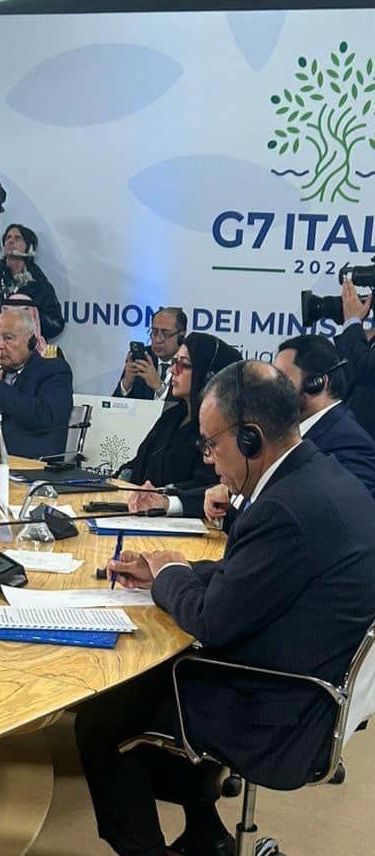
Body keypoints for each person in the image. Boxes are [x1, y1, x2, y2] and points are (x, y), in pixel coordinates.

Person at [76, 360, 375, 856]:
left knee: (101, 718)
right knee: (153, 683)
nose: (209, 460)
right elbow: (257, 576)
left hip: (281, 711)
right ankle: (206, 833)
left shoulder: (282, 507)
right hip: (316, 688)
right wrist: (170, 571)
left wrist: (171, 575)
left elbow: (212, 622)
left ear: (251, 438)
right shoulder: (323, 476)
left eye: (211, 444)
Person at [134, 334, 375, 518]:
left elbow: (326, 516)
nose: (271, 389)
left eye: (282, 379)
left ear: (317, 383)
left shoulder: (351, 444)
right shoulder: (290, 431)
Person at [123, 333, 240, 490]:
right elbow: (139, 462)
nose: (172, 370)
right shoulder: (171, 417)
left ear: (209, 376)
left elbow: (206, 487)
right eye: (174, 362)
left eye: (183, 365)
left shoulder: (217, 431)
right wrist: (118, 478)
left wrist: (164, 498)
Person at [0, 309, 72, 459]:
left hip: (21, 463)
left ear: (31, 341)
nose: (0, 345)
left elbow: (45, 417)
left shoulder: (54, 370)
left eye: (8, 338)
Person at [0, 224, 64, 353]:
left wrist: (27, 316)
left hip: (24, 354)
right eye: (8, 237)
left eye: (17, 238)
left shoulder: (39, 283)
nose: (11, 241)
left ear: (29, 246)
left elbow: (56, 324)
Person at [114, 307, 187, 400]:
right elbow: (112, 406)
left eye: (165, 334)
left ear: (181, 335)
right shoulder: (143, 358)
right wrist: (126, 384)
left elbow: (189, 406)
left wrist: (159, 387)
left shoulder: (190, 363)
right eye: (154, 332)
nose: (158, 340)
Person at [333, 278, 375, 440]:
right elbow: (346, 377)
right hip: (353, 440)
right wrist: (362, 338)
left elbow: (363, 367)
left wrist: (352, 322)